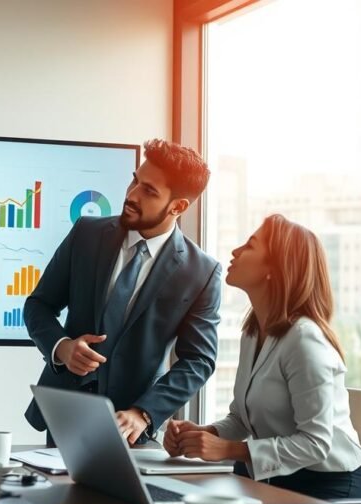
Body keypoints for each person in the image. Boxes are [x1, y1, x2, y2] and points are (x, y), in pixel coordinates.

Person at [24, 139, 221, 446]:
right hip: (65, 412)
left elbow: (199, 360)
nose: (132, 195)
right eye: (135, 181)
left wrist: (144, 413)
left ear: (178, 206)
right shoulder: (86, 234)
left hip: (131, 428)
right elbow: (38, 305)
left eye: (149, 191)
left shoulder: (201, 272)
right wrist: (62, 347)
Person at [163, 214, 361, 499]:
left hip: (325, 487)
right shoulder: (254, 332)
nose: (236, 252)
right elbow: (241, 419)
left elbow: (316, 443)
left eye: (249, 246)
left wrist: (231, 450)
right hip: (274, 478)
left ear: (274, 268)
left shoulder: (305, 341)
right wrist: (202, 435)